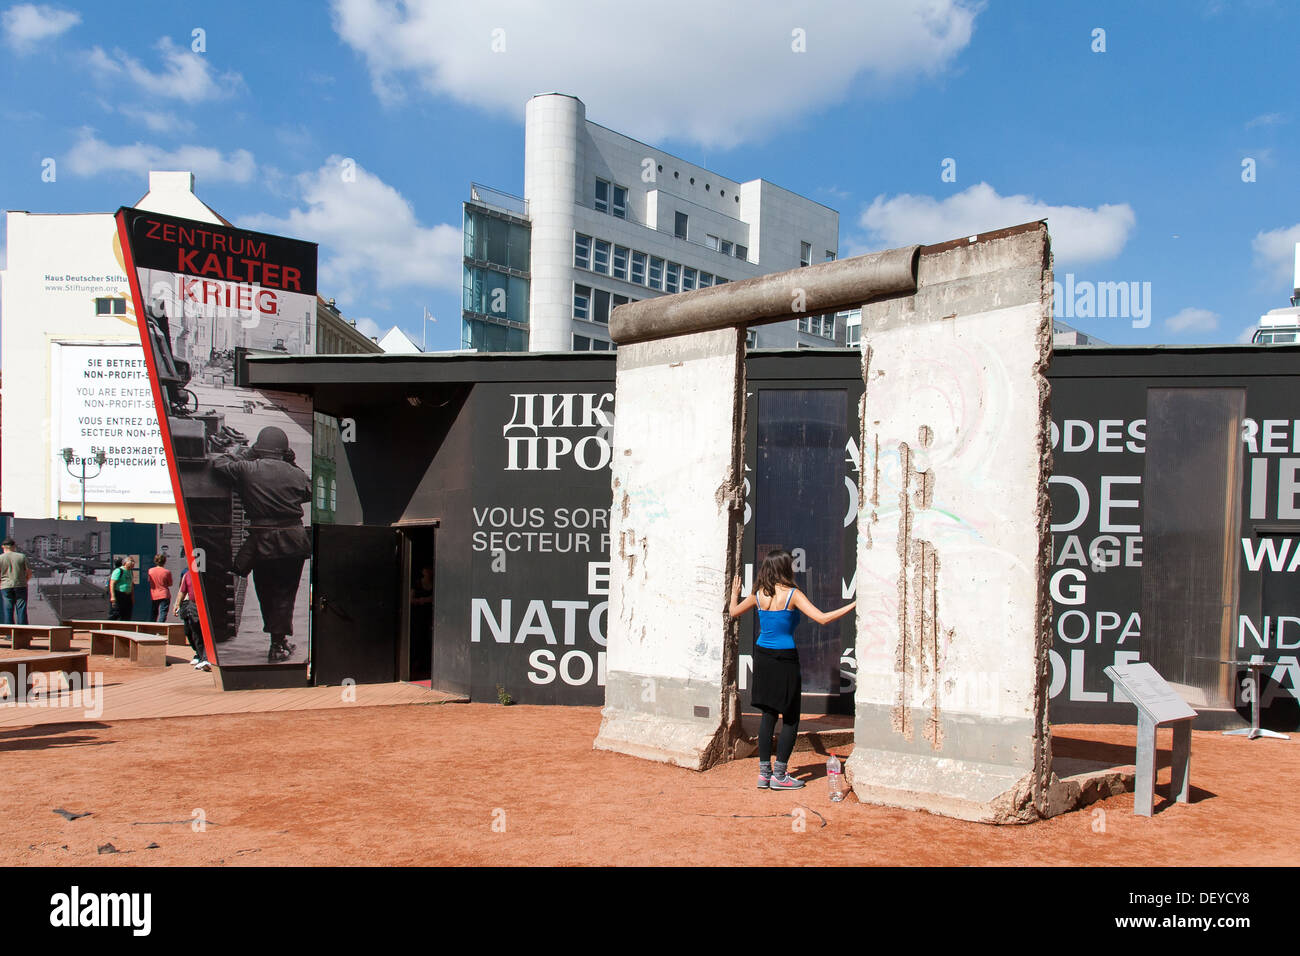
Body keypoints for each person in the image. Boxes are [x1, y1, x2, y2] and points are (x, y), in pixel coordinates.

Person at [729, 548, 856, 791]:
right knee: (790, 717)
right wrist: (853, 605)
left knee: (768, 715)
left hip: (763, 657)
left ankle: (764, 775)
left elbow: (733, 612)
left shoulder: (758, 594)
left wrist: (734, 594)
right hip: (785, 659)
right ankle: (780, 774)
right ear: (785, 568)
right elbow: (823, 618)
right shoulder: (793, 594)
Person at [212, 426, 311, 663]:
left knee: (265, 591)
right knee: (286, 592)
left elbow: (220, 464)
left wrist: (249, 453)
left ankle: (276, 642)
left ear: (260, 446)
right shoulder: (295, 474)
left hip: (263, 541)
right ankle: (279, 642)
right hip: (293, 540)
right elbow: (308, 491)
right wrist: (292, 464)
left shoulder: (248, 469)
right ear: (284, 450)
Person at [173, 563, 210, 671]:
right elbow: (182, 591)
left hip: (207, 605)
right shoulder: (188, 575)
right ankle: (201, 656)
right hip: (193, 605)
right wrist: (177, 604)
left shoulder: (207, 574)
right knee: (195, 633)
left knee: (207, 633)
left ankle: (206, 658)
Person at [0, 538, 32, 625]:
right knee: (21, 608)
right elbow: (29, 572)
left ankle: (9, 633)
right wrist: (25, 581)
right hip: (20, 585)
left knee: (8, 609)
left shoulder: (0, 558)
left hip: (5, 586)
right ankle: (22, 633)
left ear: (3, 547)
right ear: (14, 546)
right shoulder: (21, 556)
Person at [108, 555, 136, 621]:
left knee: (127, 615)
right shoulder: (119, 571)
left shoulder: (130, 572)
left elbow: (131, 584)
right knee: (115, 613)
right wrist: (113, 597)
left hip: (127, 596)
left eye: (133, 562)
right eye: (131, 561)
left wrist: (132, 597)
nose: (133, 564)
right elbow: (112, 583)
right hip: (119, 595)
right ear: (125, 563)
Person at [147, 554, 172, 623]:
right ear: (164, 561)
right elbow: (170, 584)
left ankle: (151, 627)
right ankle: (160, 628)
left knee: (154, 612)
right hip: (164, 593)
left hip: (154, 594)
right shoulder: (167, 572)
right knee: (163, 613)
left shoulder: (150, 571)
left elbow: (149, 581)